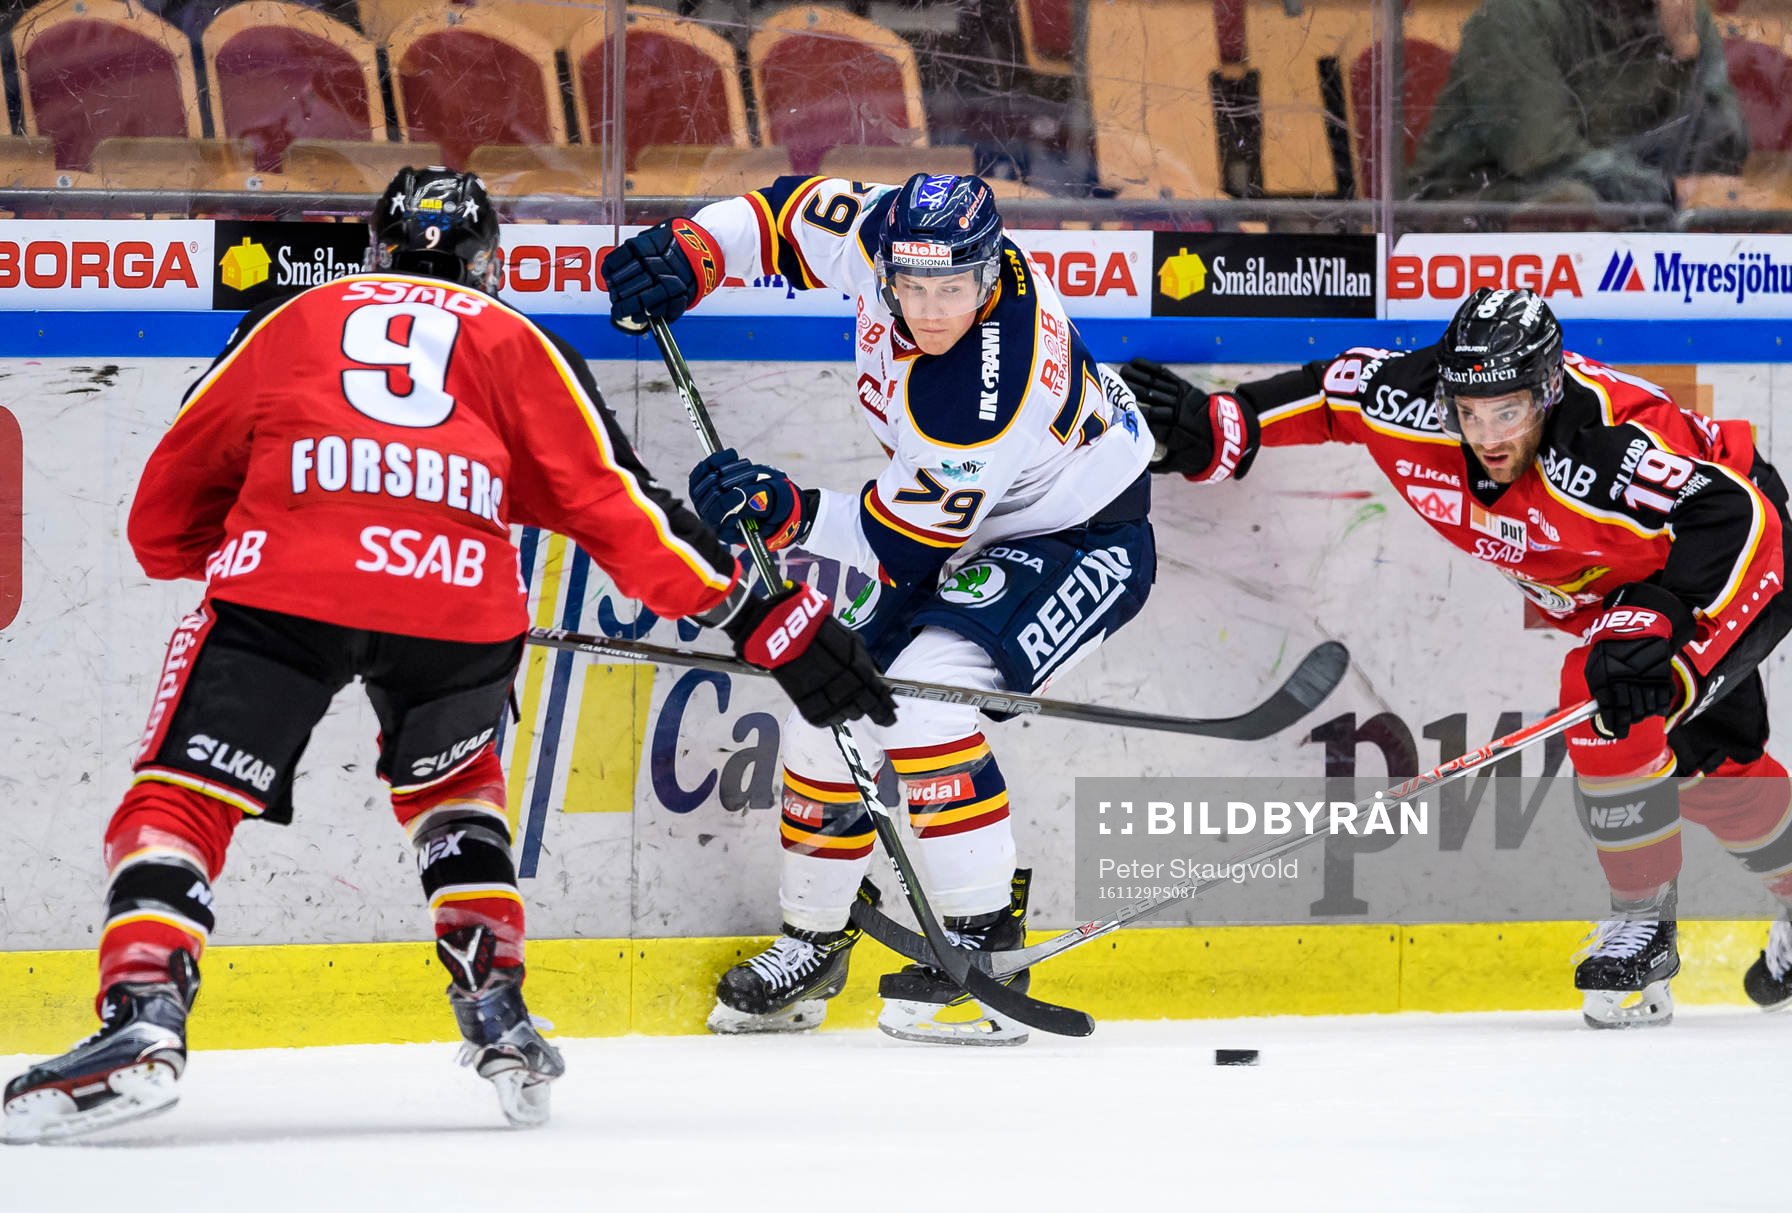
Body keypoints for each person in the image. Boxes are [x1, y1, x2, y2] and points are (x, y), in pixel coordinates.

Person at [1, 167, 894, 1144]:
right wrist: (778, 625)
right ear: (488, 264)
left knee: (182, 795)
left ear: (376, 253)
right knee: (456, 786)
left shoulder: (292, 316)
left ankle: (142, 1017)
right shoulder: (521, 341)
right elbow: (623, 514)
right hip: (461, 603)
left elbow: (159, 523)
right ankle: (498, 1008)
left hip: (285, 580)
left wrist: (270, 540)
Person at [1122, 287, 1792, 1029]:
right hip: (1620, 583)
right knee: (1709, 763)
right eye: (1468, 412)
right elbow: (1336, 389)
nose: (1486, 436)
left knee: (1602, 701)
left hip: (1729, 556)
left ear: (1547, 390)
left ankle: (1643, 927)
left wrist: (1658, 617)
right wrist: (1229, 426)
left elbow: (1734, 515)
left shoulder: (1606, 442)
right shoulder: (1413, 402)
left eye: (1508, 411)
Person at [602, 173, 1156, 1044]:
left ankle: (984, 951)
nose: (932, 311)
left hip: (1079, 536)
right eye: (914, 288)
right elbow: (780, 214)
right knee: (827, 699)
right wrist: (691, 253)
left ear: (991, 270)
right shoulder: (882, 232)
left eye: (954, 290)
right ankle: (812, 944)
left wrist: (780, 509)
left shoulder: (981, 393)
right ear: (886, 263)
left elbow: (891, 550)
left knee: (923, 703)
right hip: (951, 525)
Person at [1407, 0, 1746, 205]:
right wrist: (1667, 192)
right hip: (1474, 211)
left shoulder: (1680, 14)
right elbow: (1544, 157)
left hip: (1628, 210)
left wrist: (1686, 57)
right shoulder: (1516, 15)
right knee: (1569, 204)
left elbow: (1725, 155)